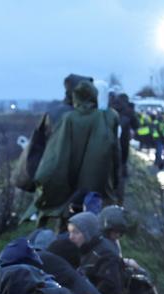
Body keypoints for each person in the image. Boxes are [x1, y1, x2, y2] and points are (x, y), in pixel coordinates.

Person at [34, 77, 121, 228]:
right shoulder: (107, 118)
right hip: (97, 184)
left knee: (68, 221)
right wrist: (114, 182)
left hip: (70, 184)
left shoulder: (68, 119)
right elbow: (114, 153)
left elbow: (57, 154)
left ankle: (64, 241)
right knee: (92, 224)